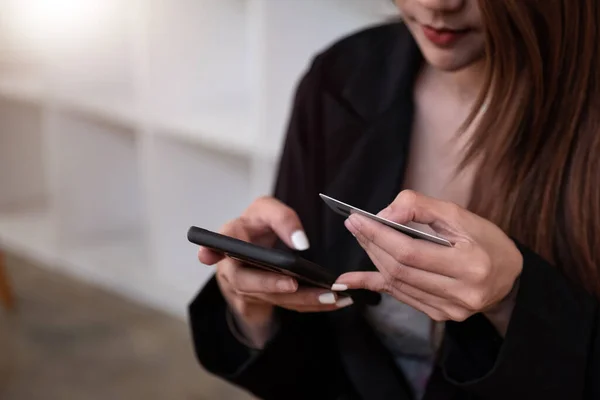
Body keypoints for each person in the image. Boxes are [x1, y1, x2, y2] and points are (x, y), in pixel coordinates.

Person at [188, 0, 600, 399]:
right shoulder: (342, 76)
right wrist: (256, 310)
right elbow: (317, 368)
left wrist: (512, 299)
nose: (437, 4)